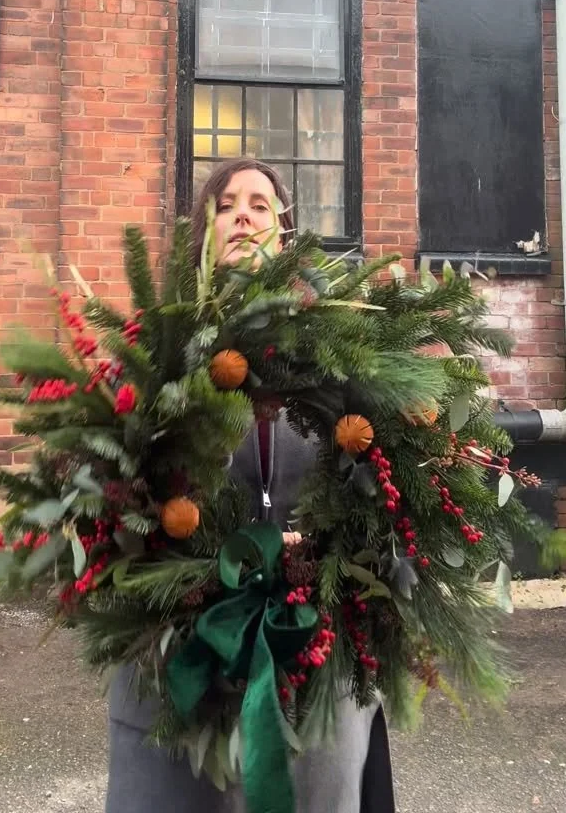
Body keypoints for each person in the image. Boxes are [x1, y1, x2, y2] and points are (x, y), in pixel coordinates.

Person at [105, 158, 397, 813]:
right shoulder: (161, 346)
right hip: (184, 640)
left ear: (284, 234)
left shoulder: (334, 348)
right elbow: (117, 484)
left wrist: (319, 552)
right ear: (204, 233)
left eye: (260, 204)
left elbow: (381, 486)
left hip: (312, 638)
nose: (242, 213)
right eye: (226, 204)